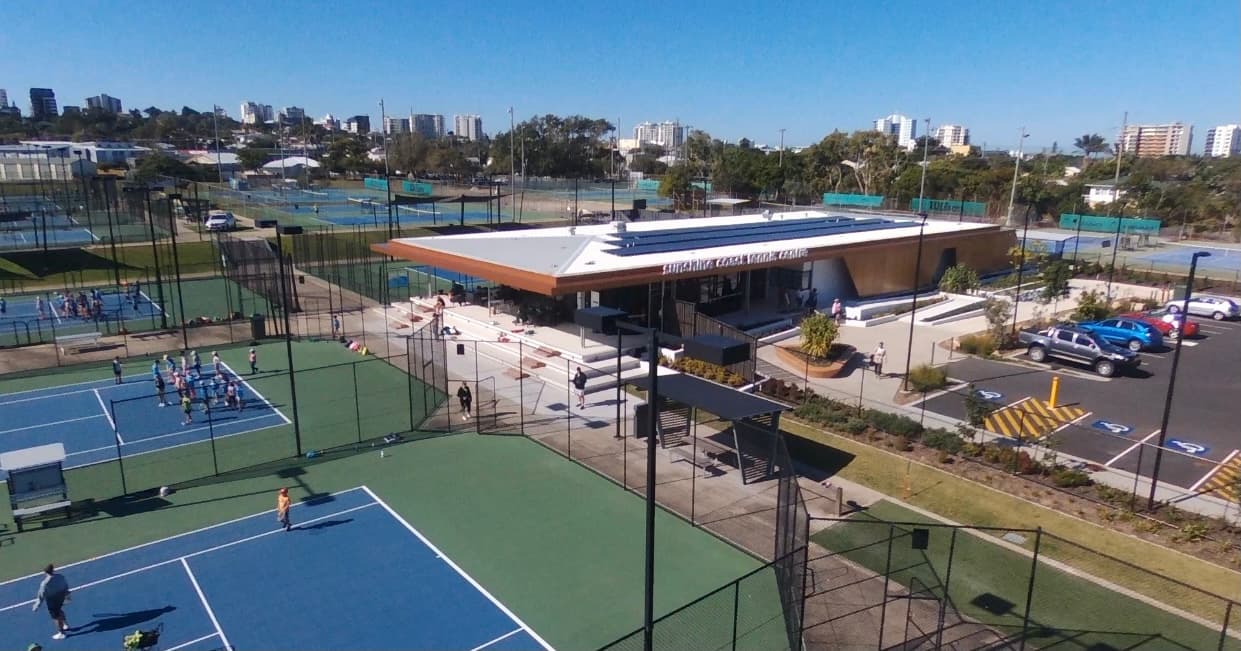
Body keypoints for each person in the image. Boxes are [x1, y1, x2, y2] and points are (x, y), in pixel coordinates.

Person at [31, 564, 71, 640]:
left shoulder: (45, 583)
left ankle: (61, 633)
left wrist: (36, 606)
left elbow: (41, 595)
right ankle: (65, 625)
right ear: (53, 570)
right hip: (61, 596)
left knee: (55, 617)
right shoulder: (60, 576)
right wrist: (67, 594)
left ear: (45, 572)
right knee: (59, 610)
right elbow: (65, 585)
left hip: (52, 600)